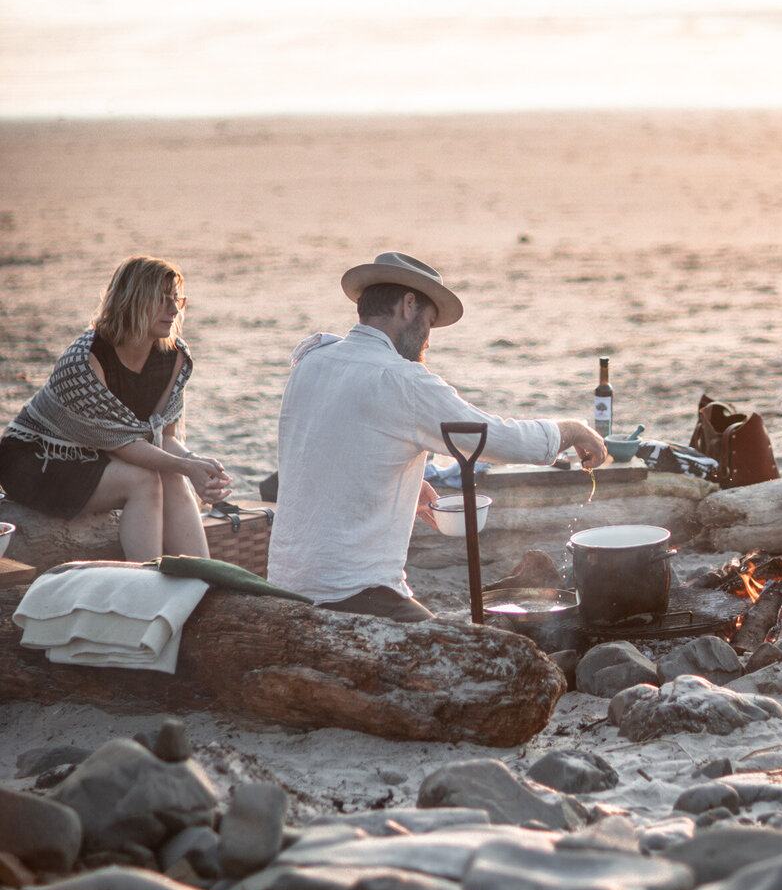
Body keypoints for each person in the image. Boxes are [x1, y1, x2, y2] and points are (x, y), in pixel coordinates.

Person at [269, 250, 609, 621]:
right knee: (465, 662)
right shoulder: (401, 380)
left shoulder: (312, 362)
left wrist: (409, 487)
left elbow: (330, 449)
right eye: (429, 323)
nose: (428, 340)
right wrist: (575, 429)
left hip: (285, 586)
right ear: (408, 305)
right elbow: (494, 438)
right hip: (350, 594)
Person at [0, 255, 233, 560]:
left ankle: (202, 582)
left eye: (176, 299)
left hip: (101, 455)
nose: (174, 310)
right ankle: (144, 587)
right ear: (133, 300)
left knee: (171, 476)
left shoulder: (174, 356)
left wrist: (198, 465)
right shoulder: (86, 358)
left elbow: (164, 438)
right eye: (163, 300)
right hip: (37, 458)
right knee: (145, 480)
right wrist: (189, 468)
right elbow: (120, 443)